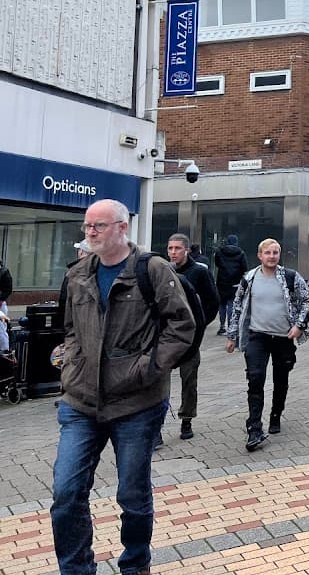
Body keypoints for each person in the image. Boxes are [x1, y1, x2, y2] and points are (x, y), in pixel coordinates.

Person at [51, 199, 195, 575]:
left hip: (136, 403)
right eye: (87, 227)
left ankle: (135, 563)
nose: (91, 233)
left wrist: (148, 368)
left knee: (131, 495)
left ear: (121, 227)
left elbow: (181, 325)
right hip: (80, 401)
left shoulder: (152, 269)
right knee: (66, 493)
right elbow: (69, 328)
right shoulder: (78, 273)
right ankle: (76, 569)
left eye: (98, 226)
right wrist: (72, 363)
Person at [226, 238, 309, 451]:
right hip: (258, 337)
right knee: (255, 379)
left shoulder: (291, 277)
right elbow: (237, 306)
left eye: (275, 252)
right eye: (268, 253)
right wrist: (232, 336)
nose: (272, 256)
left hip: (283, 337)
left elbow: (307, 300)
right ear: (260, 255)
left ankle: (276, 414)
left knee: (281, 378)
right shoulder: (250, 278)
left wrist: (300, 325)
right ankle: (254, 428)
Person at [167, 233, 220, 442]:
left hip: (190, 338)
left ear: (186, 250)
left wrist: (199, 324)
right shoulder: (163, 270)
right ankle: (157, 424)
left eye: (177, 248)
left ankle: (186, 419)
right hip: (166, 336)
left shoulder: (199, 272)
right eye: (170, 248)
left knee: (188, 379)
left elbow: (212, 301)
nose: (173, 252)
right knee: (159, 381)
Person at [214, 234, 247, 336]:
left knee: (222, 304)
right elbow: (244, 268)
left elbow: (217, 264)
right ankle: (230, 327)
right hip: (235, 282)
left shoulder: (220, 252)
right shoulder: (241, 253)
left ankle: (222, 326)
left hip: (221, 281)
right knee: (231, 304)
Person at [0, 258, 12, 351]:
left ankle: (5, 351)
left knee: (1, 330)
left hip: (0, 304)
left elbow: (8, 290)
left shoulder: (4, 272)